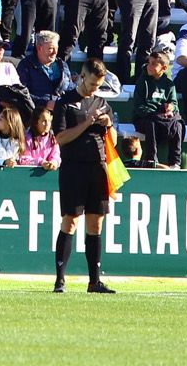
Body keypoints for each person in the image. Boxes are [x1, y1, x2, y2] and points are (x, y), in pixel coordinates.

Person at [51, 58, 117, 295]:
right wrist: (87, 122)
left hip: (97, 168)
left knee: (96, 223)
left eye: (98, 85)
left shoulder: (102, 103)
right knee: (70, 220)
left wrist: (108, 124)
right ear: (81, 76)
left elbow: (114, 141)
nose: (93, 89)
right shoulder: (65, 103)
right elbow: (60, 138)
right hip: (73, 168)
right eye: (91, 83)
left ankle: (94, 281)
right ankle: (60, 279)